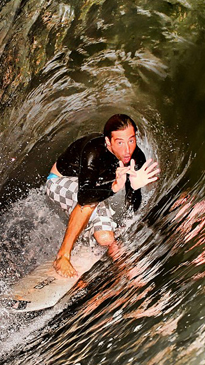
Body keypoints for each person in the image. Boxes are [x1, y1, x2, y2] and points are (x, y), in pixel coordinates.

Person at [45, 114, 160, 277]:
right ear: (108, 142)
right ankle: (62, 257)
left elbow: (131, 206)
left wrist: (134, 188)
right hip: (59, 183)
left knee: (105, 237)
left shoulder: (135, 157)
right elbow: (84, 196)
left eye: (131, 140)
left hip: (91, 191)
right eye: (120, 142)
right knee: (92, 204)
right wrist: (113, 188)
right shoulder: (94, 151)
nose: (127, 149)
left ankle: (119, 260)